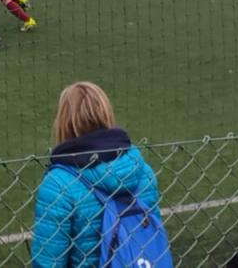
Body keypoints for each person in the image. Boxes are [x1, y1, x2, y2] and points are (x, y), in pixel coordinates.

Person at [31, 82, 165, 268]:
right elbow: (152, 235)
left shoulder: (58, 184)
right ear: (106, 113)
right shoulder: (142, 170)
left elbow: (48, 262)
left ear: (63, 122)